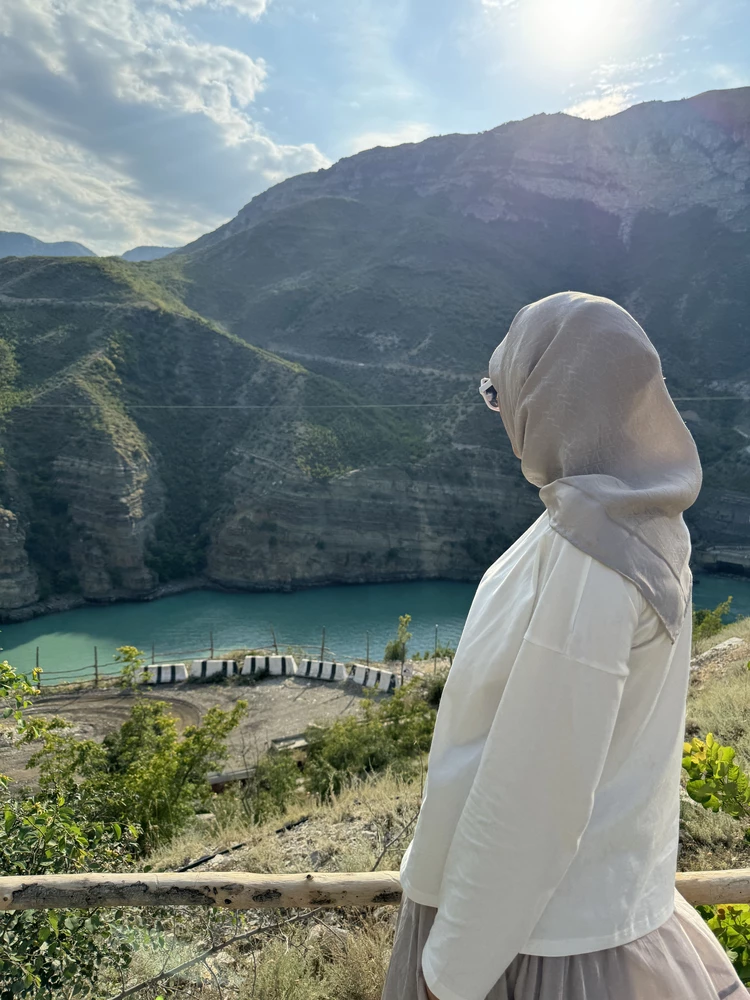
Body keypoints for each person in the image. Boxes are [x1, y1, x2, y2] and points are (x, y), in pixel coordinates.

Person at [382, 291, 748, 1000]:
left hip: (530, 947)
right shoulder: (638, 524)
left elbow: (533, 792)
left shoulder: (592, 554)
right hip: (579, 916)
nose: (502, 416)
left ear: (550, 399)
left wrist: (448, 976)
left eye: (502, 393)